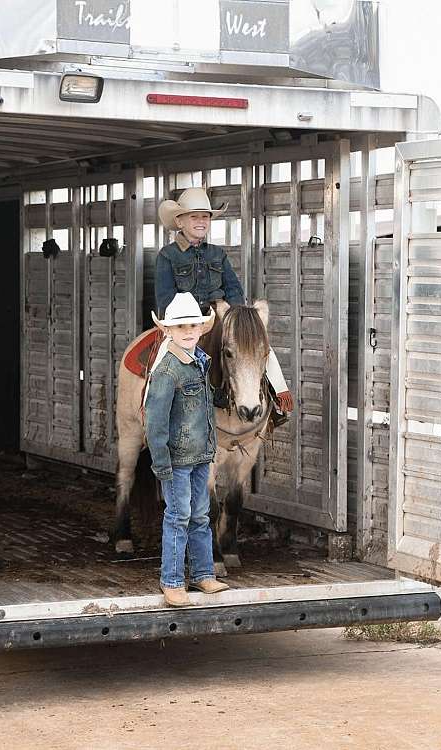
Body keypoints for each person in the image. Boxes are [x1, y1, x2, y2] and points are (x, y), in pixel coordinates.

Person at [156, 187, 294, 418]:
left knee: (256, 345)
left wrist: (238, 319)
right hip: (185, 322)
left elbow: (233, 288)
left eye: (205, 216)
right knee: (165, 360)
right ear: (179, 221)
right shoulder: (168, 256)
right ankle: (159, 412)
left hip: (221, 317)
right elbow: (166, 298)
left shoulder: (217, 254)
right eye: (194, 216)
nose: (201, 221)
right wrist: (191, 321)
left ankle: (276, 401)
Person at [145, 292, 229, 608]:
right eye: (181, 327)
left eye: (194, 325)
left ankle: (204, 574)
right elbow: (155, 422)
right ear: (168, 331)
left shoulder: (201, 363)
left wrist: (219, 398)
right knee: (178, 515)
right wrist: (162, 464)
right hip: (177, 459)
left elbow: (203, 404)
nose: (189, 331)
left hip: (200, 454)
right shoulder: (167, 371)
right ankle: (172, 580)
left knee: (200, 514)